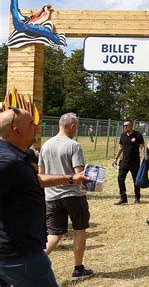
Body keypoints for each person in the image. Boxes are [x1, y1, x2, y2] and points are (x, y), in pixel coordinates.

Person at [0, 109, 88, 286]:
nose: (37, 127)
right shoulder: (8, 161)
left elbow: (38, 179)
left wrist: (70, 178)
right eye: (31, 124)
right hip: (19, 254)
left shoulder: (17, 156)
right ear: (17, 130)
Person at [38, 113, 94, 281]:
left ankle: (35, 261)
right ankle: (78, 269)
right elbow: (79, 174)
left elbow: (41, 174)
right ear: (73, 126)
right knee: (79, 229)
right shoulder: (73, 146)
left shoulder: (45, 146)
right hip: (73, 195)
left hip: (51, 196)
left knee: (54, 234)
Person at [113, 119, 144, 205]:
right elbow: (120, 147)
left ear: (131, 126)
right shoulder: (123, 135)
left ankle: (137, 197)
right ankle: (123, 198)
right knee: (120, 179)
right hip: (124, 162)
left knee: (136, 181)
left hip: (135, 162)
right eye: (124, 126)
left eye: (126, 125)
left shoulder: (138, 135)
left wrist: (143, 158)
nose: (124, 127)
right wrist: (116, 158)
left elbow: (142, 147)